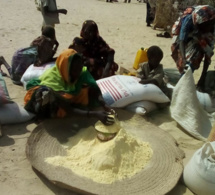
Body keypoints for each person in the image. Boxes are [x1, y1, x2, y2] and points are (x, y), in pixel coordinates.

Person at [24, 49, 116, 125]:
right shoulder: (52, 78)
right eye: (75, 70)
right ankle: (45, 116)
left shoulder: (81, 72)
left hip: (66, 96)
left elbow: (94, 89)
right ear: (66, 68)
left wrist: (104, 104)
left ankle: (77, 109)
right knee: (46, 94)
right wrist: (93, 114)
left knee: (86, 88)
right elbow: (66, 107)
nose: (78, 72)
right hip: (49, 99)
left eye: (80, 68)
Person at [171, 5, 215, 91]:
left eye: (208, 24)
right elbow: (182, 40)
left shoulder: (212, 25)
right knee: (185, 62)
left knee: (194, 58)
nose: (207, 26)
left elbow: (208, 54)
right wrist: (183, 58)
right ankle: (182, 80)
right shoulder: (188, 20)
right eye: (204, 25)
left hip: (198, 36)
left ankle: (186, 76)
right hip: (185, 36)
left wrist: (203, 77)